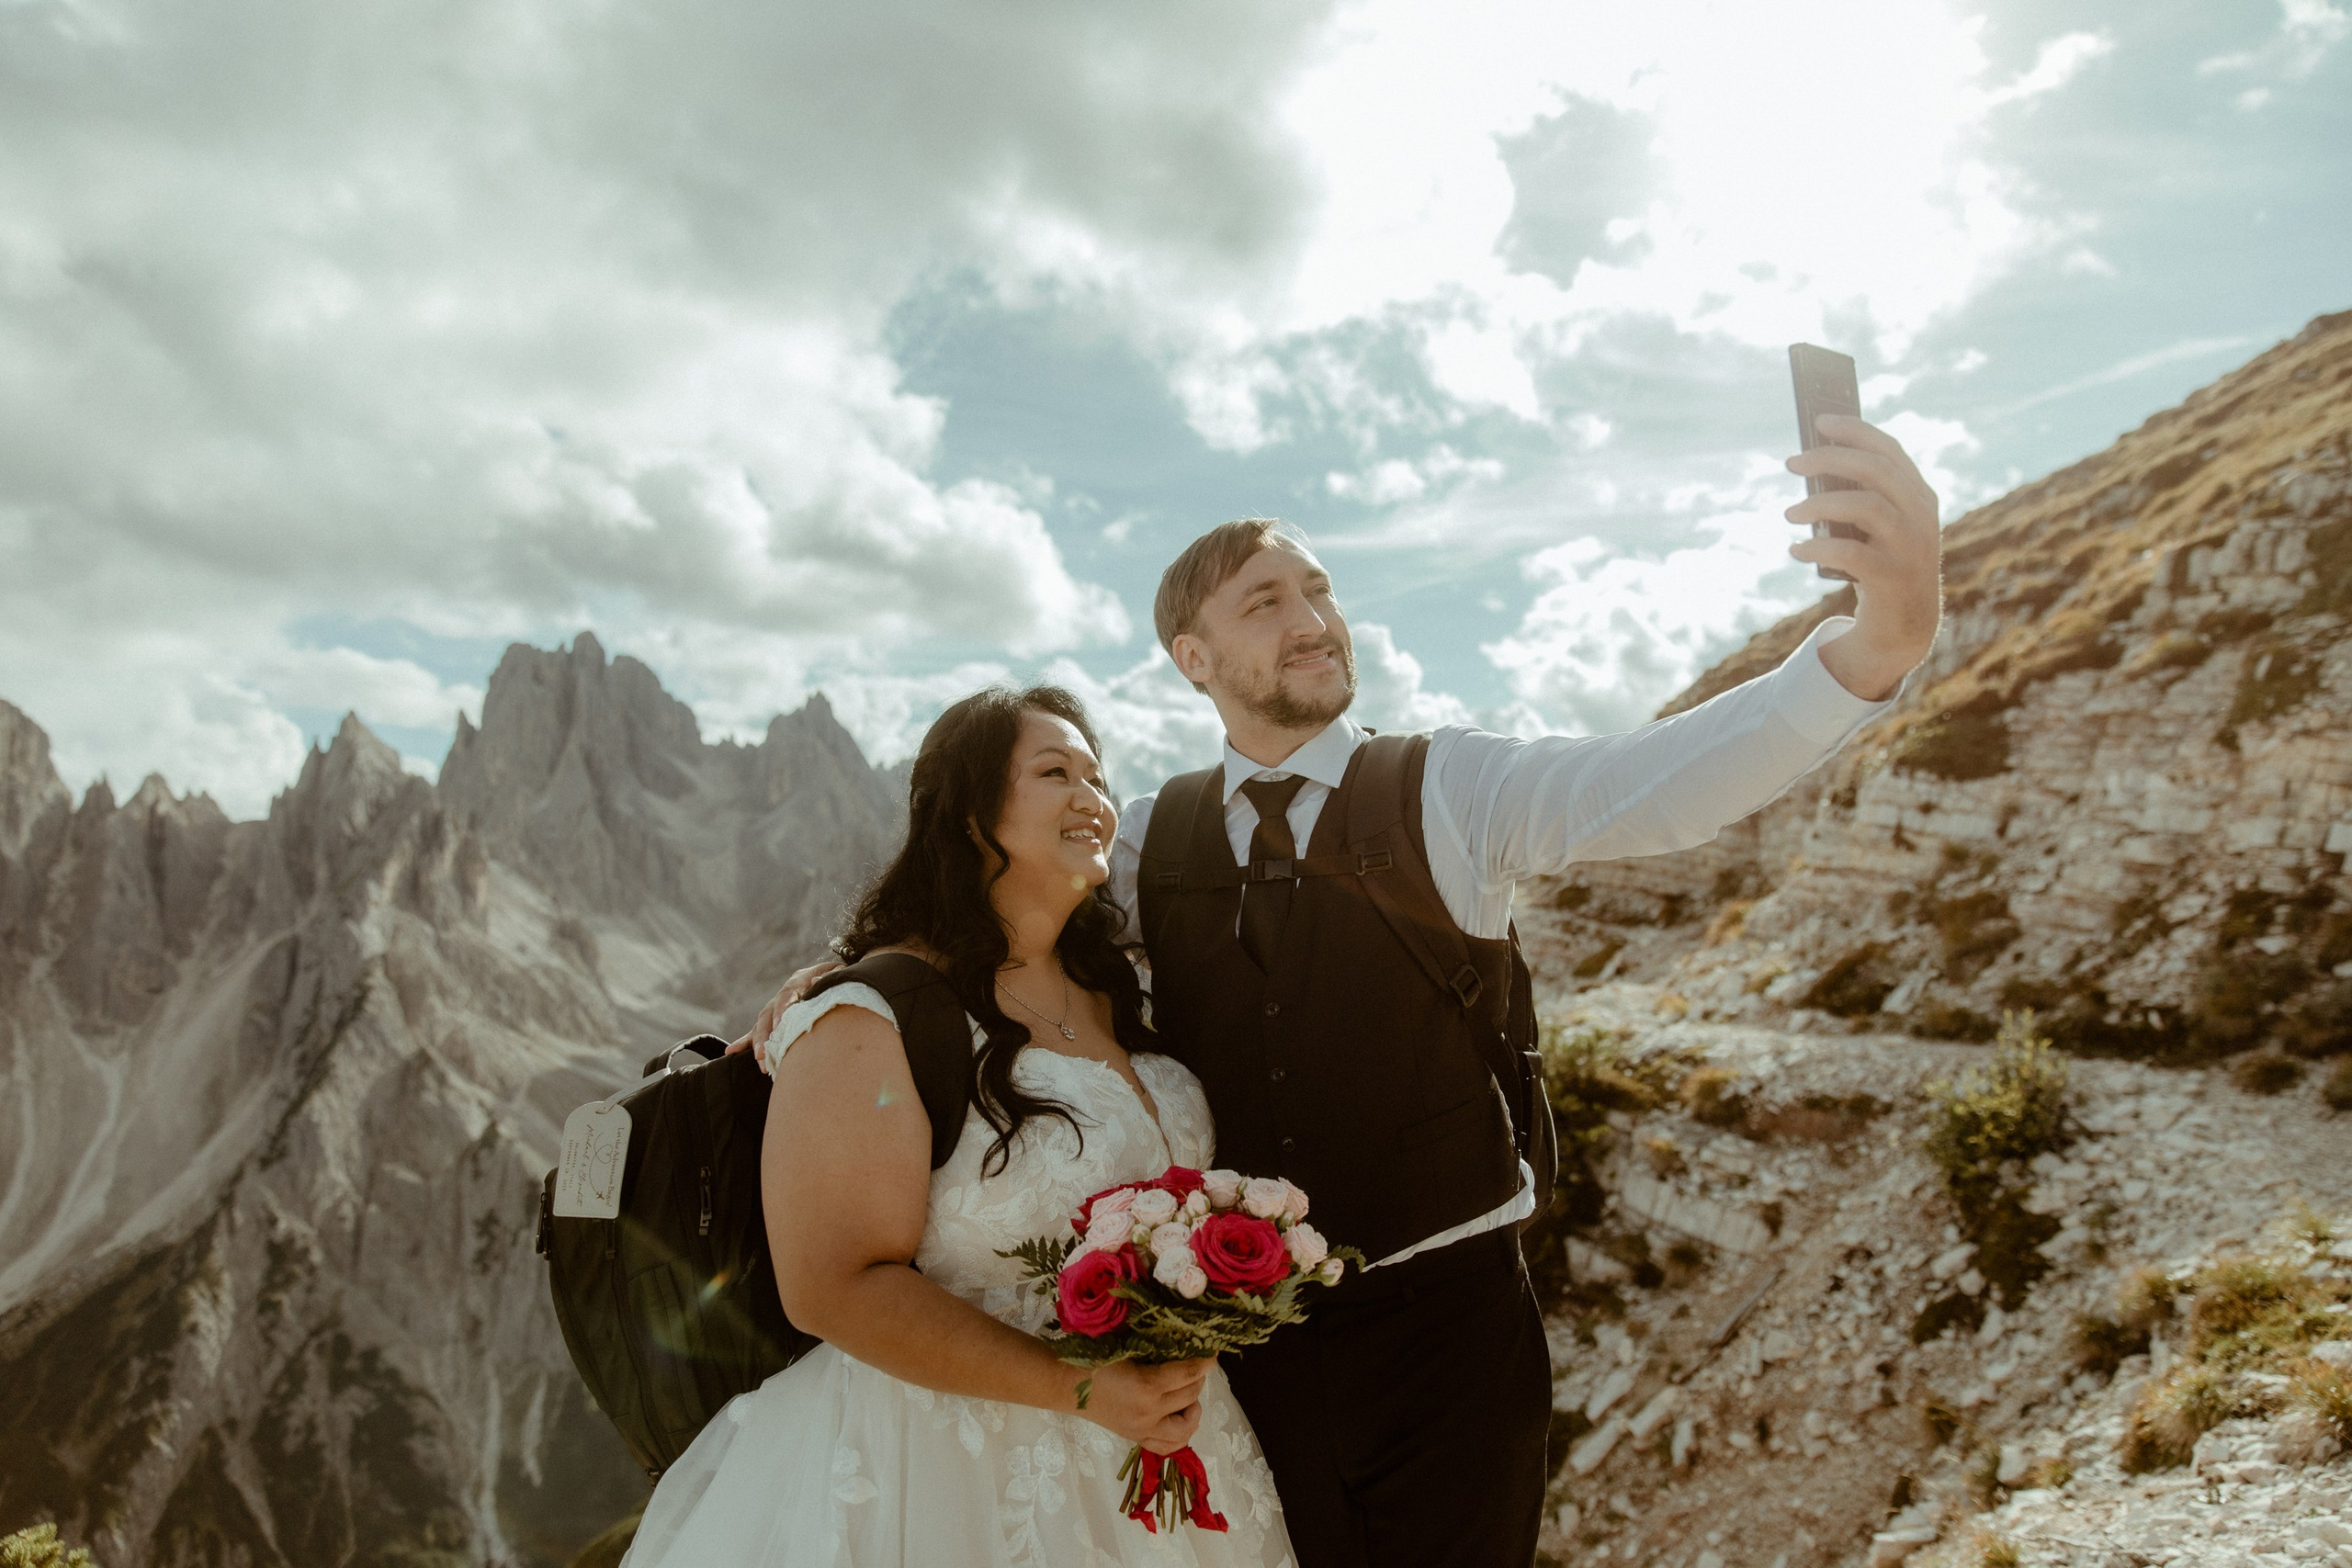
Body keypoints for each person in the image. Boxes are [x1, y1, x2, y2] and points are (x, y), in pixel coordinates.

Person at [745, 413, 1942, 1566]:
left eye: (1319, 590)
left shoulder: (1451, 787)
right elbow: (998, 941)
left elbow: (1659, 779)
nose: (1311, 617)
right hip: (1252, 1359)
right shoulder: (1149, 839)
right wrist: (851, 978)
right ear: (1194, 656)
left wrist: (1870, 650)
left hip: (1453, 1339)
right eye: (1266, 600)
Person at [633, 685, 1295, 1567]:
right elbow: (832, 1284)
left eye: (1098, 778)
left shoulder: (1128, 988)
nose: (1092, 798)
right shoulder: (869, 1015)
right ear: (970, 813)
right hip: (942, 1478)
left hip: (1164, 1453)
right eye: (1055, 771)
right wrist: (1086, 1389)